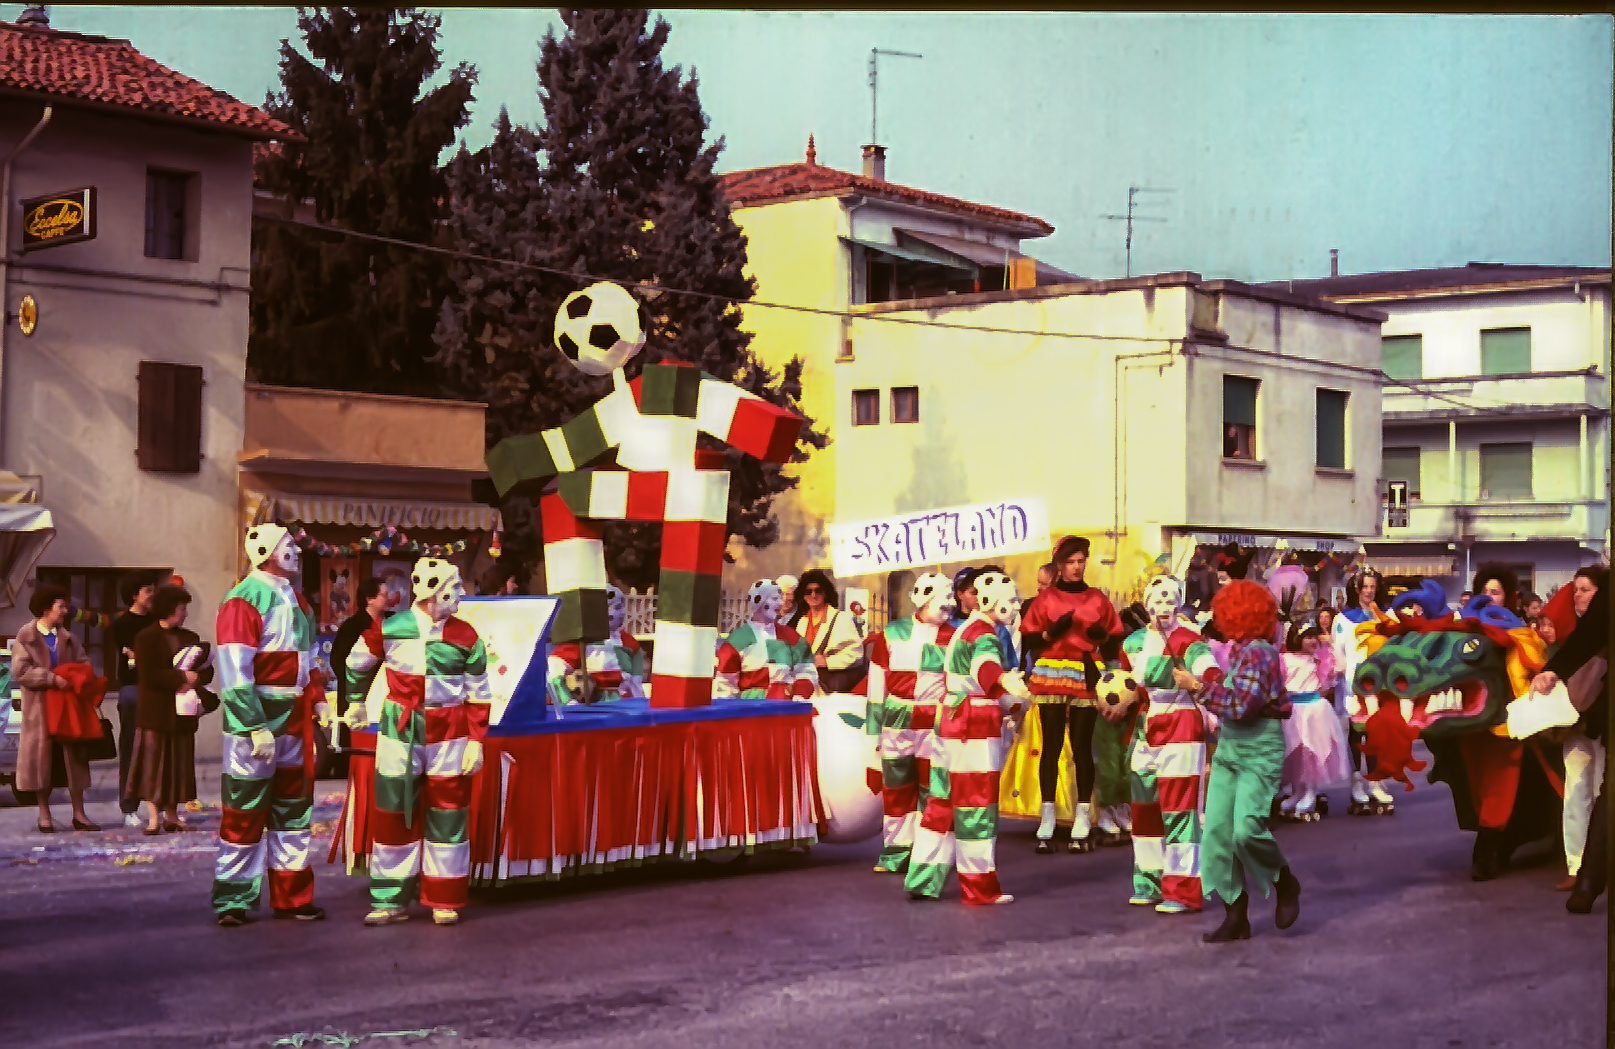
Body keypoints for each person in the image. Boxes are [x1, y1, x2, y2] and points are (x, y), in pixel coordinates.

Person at [347, 557, 494, 927]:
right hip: (400, 729)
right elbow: (356, 663)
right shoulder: (391, 627)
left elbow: (479, 692)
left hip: (450, 730)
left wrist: (476, 741)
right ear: (433, 592)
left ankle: (445, 898)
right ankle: (390, 899)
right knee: (394, 812)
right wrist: (354, 702)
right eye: (454, 588)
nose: (461, 594)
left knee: (448, 813)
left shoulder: (467, 636)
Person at [212, 523, 331, 927]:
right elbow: (234, 669)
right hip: (258, 721)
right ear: (264, 550)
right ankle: (233, 899)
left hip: (295, 720)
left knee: (293, 811)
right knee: (244, 809)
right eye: (287, 545)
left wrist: (319, 700)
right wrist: (252, 724)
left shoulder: (299, 600)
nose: (295, 550)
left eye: (294, 544)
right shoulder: (243, 600)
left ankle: (293, 896)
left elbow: (308, 657)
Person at [1174, 579, 1302, 943]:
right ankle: (1236, 916)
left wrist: (1196, 686)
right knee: (1216, 833)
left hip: (1259, 749)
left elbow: (1241, 705)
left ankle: (1284, 881)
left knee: (1247, 830)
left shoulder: (1260, 652)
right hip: (1231, 748)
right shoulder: (1240, 650)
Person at [905, 570, 1030, 905]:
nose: (1016, 607)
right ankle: (979, 887)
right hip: (973, 727)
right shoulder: (986, 635)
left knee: (941, 804)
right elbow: (985, 670)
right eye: (1012, 601)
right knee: (976, 806)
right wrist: (1008, 686)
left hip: (950, 720)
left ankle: (923, 877)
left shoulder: (964, 630)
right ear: (993, 602)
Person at [1018, 535, 1125, 852]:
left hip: (1085, 671)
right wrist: (1051, 633)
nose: (1076, 567)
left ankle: (1082, 816)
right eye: (1070, 562)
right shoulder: (1046, 599)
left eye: (1081, 561)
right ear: (1060, 565)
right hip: (1051, 670)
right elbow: (1030, 642)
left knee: (1081, 745)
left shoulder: (1097, 599)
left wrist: (1101, 636)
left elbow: (1113, 644)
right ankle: (1047, 816)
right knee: (1050, 744)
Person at [1123, 575, 1215, 914]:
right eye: (1158, 600)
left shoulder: (1191, 641)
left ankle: (1182, 889)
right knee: (1143, 807)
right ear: (1147, 603)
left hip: (1181, 721)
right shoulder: (1131, 643)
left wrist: (1202, 679)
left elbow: (1209, 669)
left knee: (1180, 807)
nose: (1165, 607)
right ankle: (1149, 880)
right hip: (1146, 725)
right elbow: (1126, 683)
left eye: (1171, 600)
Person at [864, 573, 956, 874]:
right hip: (897, 720)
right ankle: (896, 852)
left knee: (934, 788)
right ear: (924, 597)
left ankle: (928, 854)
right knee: (897, 787)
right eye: (945, 597)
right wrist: (873, 734)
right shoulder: (891, 633)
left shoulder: (956, 637)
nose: (951, 604)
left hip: (935, 719)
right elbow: (876, 684)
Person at [1539, 566, 1608, 902]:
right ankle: (1577, 866)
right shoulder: (1566, 631)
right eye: (1576, 589)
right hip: (1574, 724)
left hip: (1599, 719)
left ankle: (1593, 872)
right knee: (1578, 790)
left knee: (1600, 792)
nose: (1580, 595)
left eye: (1587, 589)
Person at [11, 585, 98, 833]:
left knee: (75, 760)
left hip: (68, 709)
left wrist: (76, 676)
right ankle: (44, 814)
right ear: (46, 608)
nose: (65, 610)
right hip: (40, 711)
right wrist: (52, 679)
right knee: (42, 762)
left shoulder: (69, 638)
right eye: (61, 605)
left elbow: (84, 663)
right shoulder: (25, 637)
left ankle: (79, 813)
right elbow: (21, 671)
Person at [127, 585, 208, 835]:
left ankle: (172, 816)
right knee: (153, 764)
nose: (185, 613)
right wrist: (180, 677)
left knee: (178, 764)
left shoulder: (190, 637)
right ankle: (153, 817)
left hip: (182, 712)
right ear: (169, 609)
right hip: (156, 711)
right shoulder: (146, 637)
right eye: (181, 609)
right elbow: (149, 675)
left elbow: (205, 667)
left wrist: (198, 677)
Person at [1332, 568, 1397, 816]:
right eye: (1365, 587)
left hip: (1380, 685)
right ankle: (1357, 784)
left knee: (1377, 735)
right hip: (1352, 685)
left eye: (1373, 586)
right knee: (1356, 736)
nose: (1369, 591)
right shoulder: (1343, 619)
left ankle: (1376, 782)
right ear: (1357, 589)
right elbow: (1338, 655)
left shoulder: (1386, 617)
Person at [1277, 624, 1352, 823]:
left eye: (1314, 637)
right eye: (1307, 637)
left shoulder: (1319, 659)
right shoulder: (1284, 659)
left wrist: (1331, 644)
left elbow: (1340, 667)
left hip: (1313, 709)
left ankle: (1311, 791)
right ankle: (1297, 791)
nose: (1312, 641)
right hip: (1292, 710)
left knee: (1312, 751)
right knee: (1294, 751)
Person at [713, 580, 816, 700]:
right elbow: (725, 685)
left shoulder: (791, 636)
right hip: (751, 712)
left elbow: (807, 671)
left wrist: (800, 694)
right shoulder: (737, 640)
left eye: (780, 598)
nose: (780, 603)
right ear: (758, 601)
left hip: (785, 710)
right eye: (774, 599)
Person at [112, 570, 158, 828]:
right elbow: (133, 657)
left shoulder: (157, 621)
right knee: (131, 746)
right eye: (147, 590)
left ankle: (159, 804)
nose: (152, 595)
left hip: (157, 689)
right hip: (132, 688)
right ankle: (129, 806)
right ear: (134, 595)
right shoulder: (122, 624)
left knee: (158, 748)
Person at [788, 569, 864, 693]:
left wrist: (827, 662)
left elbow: (856, 653)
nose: (813, 595)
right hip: (805, 687)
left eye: (818, 590)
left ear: (826, 593)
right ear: (803, 595)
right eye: (808, 591)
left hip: (829, 689)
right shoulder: (802, 622)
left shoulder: (841, 618)